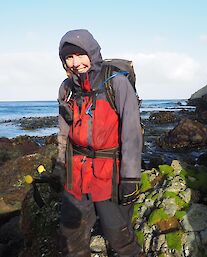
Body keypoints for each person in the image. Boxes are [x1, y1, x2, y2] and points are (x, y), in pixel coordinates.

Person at [53, 29, 143, 257]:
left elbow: (131, 133)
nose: (75, 63)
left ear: (92, 52)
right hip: (77, 172)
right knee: (70, 237)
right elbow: (64, 132)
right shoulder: (66, 89)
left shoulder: (117, 83)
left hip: (109, 173)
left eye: (80, 55)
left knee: (119, 238)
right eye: (69, 58)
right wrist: (60, 166)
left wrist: (131, 177)